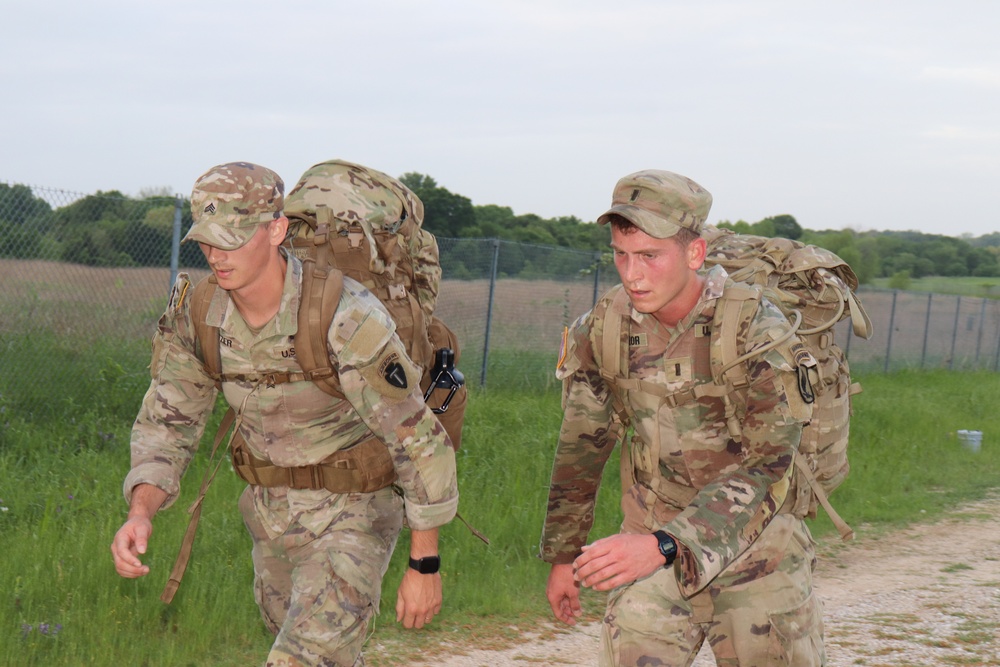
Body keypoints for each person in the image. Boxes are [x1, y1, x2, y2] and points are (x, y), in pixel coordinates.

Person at [110, 162, 459, 666]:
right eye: (207, 240)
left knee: (297, 659)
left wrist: (425, 563)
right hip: (270, 519)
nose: (216, 254)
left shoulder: (343, 314)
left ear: (276, 229)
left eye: (233, 237)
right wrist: (139, 513)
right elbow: (168, 424)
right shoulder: (199, 313)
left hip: (354, 516)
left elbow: (416, 438)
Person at [540, 170, 823, 665]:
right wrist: (565, 556)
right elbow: (581, 447)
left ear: (694, 254)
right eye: (621, 255)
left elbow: (767, 466)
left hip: (759, 546)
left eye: (650, 256)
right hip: (653, 535)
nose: (632, 274)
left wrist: (668, 544)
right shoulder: (604, 328)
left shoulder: (755, 331)